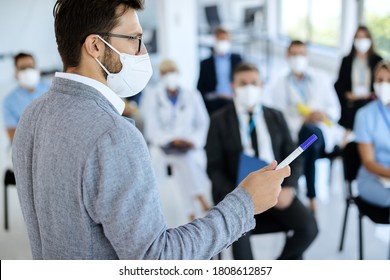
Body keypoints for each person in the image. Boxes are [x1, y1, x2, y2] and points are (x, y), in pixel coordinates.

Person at [12, 0, 290, 260]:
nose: (143, 52)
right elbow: (157, 259)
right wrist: (245, 203)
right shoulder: (112, 135)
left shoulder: (33, 115)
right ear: (95, 46)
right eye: (134, 39)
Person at [206, 62, 318, 260]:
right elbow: (214, 167)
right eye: (243, 83)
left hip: (277, 191)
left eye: (253, 83)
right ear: (233, 86)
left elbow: (294, 158)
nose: (249, 88)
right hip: (239, 193)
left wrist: (290, 188)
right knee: (240, 241)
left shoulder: (276, 116)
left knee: (309, 228)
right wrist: (235, 197)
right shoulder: (218, 120)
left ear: (261, 86)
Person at [265, 40, 341, 213]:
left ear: (307, 56)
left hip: (320, 132)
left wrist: (322, 115)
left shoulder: (321, 79)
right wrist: (302, 120)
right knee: (308, 140)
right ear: (287, 56)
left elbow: (335, 110)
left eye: (301, 54)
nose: (297, 58)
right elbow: (279, 118)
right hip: (296, 134)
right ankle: (311, 196)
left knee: (310, 135)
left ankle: (294, 188)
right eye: (294, 54)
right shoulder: (279, 85)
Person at [140, 59, 211, 222]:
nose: (169, 76)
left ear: (178, 73)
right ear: (161, 76)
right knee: (184, 161)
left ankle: (191, 212)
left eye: (172, 72)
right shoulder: (153, 97)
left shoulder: (192, 95)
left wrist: (192, 141)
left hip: (187, 146)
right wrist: (171, 140)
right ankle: (199, 197)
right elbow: (152, 128)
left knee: (183, 164)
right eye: (165, 73)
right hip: (163, 147)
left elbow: (203, 122)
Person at [354, 60, 390, 259]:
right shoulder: (365, 114)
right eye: (380, 80)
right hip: (372, 178)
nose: (384, 84)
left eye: (389, 80)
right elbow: (368, 162)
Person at [335, 25, 382, 143]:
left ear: (370, 40)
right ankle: (348, 139)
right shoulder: (347, 60)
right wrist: (348, 95)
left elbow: (382, 83)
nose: (361, 41)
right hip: (351, 101)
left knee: (362, 109)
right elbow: (339, 84)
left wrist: (369, 94)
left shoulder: (377, 60)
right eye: (358, 37)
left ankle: (352, 137)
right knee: (352, 109)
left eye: (364, 37)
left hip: (370, 99)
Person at [3, 52, 49, 143]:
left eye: (30, 66)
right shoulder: (9, 101)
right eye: (23, 68)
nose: (28, 71)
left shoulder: (52, 90)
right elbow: (12, 136)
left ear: (37, 69)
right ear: (16, 73)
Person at [197, 26, 242, 115]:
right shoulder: (205, 63)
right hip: (213, 103)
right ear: (215, 40)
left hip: (233, 100)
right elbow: (200, 87)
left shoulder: (237, 60)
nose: (222, 42)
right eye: (220, 39)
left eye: (224, 39)